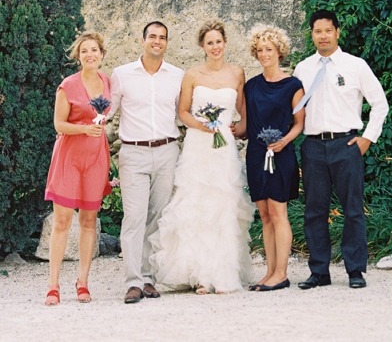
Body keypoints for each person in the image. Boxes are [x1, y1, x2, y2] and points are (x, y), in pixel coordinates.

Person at [148, 20, 254, 294]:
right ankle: (199, 276)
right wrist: (201, 126)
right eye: (209, 43)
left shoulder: (237, 73)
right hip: (198, 145)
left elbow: (243, 111)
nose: (215, 47)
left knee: (222, 206)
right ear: (202, 46)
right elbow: (183, 112)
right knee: (196, 206)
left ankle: (221, 274)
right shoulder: (192, 74)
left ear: (225, 43)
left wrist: (240, 128)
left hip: (223, 149)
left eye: (219, 41)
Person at [293, 9, 389, 290]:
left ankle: (355, 271)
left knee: (353, 209)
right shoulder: (303, 69)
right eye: (317, 31)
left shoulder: (355, 65)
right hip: (312, 146)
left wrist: (367, 139)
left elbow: (380, 104)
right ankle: (319, 271)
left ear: (337, 32)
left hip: (346, 145)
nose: (322, 36)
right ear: (312, 34)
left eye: (327, 30)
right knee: (314, 210)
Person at [109, 21, 184, 304]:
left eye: (162, 37)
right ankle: (133, 282)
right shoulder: (122, 74)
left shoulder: (177, 75)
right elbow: (107, 111)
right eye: (152, 36)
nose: (157, 41)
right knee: (134, 217)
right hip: (133, 152)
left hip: (167, 150)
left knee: (158, 216)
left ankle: (149, 278)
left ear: (166, 42)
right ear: (142, 41)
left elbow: (184, 112)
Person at [233, 25, 305, 292]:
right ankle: (270, 272)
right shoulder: (251, 86)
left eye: (269, 49)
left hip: (281, 154)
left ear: (279, 52)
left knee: (278, 212)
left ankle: (282, 274)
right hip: (255, 154)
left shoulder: (293, 85)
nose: (265, 54)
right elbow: (245, 125)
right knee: (264, 215)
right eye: (260, 50)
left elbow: (299, 123)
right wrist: (228, 130)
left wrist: (284, 141)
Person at [44, 31, 112, 305]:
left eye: (94, 50)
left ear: (101, 54)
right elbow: (58, 125)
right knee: (62, 221)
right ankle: (53, 285)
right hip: (69, 158)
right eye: (85, 51)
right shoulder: (67, 86)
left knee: (88, 221)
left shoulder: (106, 81)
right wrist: (84, 128)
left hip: (96, 157)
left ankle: (83, 282)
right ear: (78, 56)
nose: (90, 54)